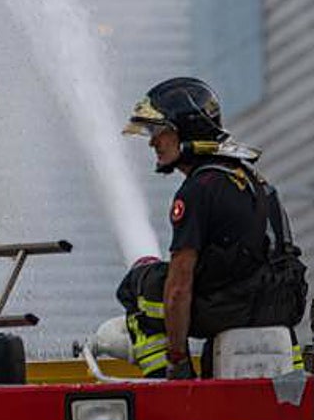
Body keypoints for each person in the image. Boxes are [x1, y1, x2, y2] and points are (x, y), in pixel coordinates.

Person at [120, 77, 306, 379]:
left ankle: (170, 385)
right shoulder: (256, 181)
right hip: (281, 309)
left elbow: (179, 288)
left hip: (234, 308)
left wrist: (178, 356)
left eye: (159, 131)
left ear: (186, 130)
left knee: (141, 285)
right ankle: (290, 381)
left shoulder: (197, 190)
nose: (153, 141)